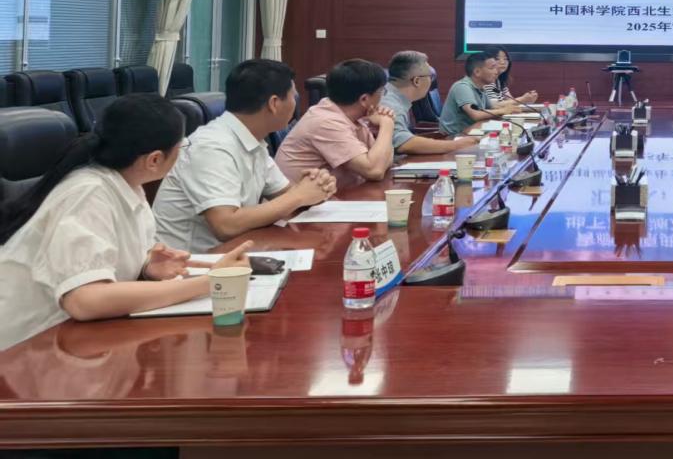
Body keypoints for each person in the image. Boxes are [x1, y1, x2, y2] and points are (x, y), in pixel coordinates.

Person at [0, 94, 252, 350]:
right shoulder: (89, 193)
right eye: (181, 147)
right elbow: (85, 300)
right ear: (154, 160)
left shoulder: (127, 184)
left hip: (71, 342)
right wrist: (212, 282)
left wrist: (145, 267)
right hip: (22, 351)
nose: (182, 153)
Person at [154, 59, 336, 252]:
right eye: (293, 97)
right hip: (190, 262)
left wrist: (316, 187)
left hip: (235, 253)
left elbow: (287, 195)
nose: (295, 104)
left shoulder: (253, 140)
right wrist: (299, 196)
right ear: (274, 103)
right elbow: (226, 225)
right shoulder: (211, 147)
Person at [276, 58, 396, 190]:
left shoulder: (353, 115)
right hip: (302, 201)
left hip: (336, 196)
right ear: (364, 99)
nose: (382, 97)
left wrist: (380, 131)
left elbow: (384, 161)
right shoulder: (325, 122)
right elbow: (375, 171)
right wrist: (387, 124)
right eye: (381, 92)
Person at [380, 51, 483, 157]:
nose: (431, 81)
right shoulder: (390, 103)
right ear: (417, 81)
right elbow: (403, 144)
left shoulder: (394, 96)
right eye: (431, 77)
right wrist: (457, 144)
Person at [440, 50, 522, 137]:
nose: (496, 72)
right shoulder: (462, 87)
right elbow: (475, 114)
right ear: (477, 72)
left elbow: (491, 107)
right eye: (492, 68)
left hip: (472, 131)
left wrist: (510, 109)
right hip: (454, 137)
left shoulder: (481, 87)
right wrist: (503, 110)